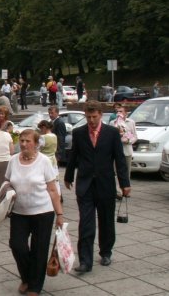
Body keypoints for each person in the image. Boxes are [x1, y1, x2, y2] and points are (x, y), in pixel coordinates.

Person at [65, 100, 130, 273]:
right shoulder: (79, 133)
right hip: (85, 184)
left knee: (106, 221)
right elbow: (73, 156)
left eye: (94, 117)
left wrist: (125, 183)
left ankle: (106, 251)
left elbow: (119, 159)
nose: (91, 120)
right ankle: (85, 261)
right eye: (88, 117)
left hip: (105, 184)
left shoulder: (112, 133)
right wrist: (68, 175)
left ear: (101, 115)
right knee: (86, 223)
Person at [5, 129, 63, 296]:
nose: (23, 144)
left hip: (42, 212)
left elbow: (52, 189)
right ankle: (26, 277)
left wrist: (59, 214)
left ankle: (34, 287)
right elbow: (7, 181)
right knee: (17, 245)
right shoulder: (13, 160)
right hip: (19, 212)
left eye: (27, 141)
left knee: (39, 250)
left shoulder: (44, 161)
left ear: (36, 144)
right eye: (21, 140)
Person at [110, 104, 137, 197]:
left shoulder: (131, 122)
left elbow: (134, 136)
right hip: (116, 152)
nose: (118, 113)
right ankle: (118, 191)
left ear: (125, 113)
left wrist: (129, 140)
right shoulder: (112, 123)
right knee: (116, 171)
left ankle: (126, 188)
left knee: (127, 171)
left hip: (127, 150)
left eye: (121, 111)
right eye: (117, 111)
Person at [37, 120, 61, 194]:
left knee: (46, 178)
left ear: (44, 127)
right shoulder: (54, 136)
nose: (41, 131)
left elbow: (37, 148)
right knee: (54, 178)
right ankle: (58, 193)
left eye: (41, 129)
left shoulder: (43, 137)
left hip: (44, 160)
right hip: (53, 159)